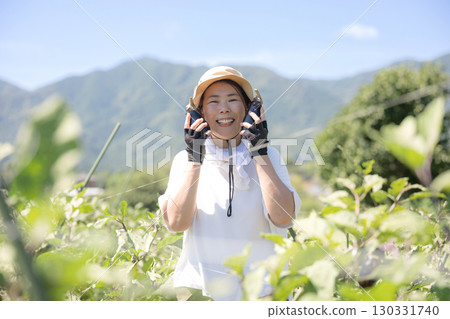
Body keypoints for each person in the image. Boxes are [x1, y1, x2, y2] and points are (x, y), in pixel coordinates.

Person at [158, 66, 301, 300]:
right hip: (202, 294)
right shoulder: (184, 161)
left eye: (232, 99)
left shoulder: (270, 156)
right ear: (199, 114)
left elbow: (284, 218)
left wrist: (259, 152)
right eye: (213, 101)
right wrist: (195, 159)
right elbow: (176, 223)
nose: (224, 108)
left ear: (248, 110)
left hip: (262, 291)